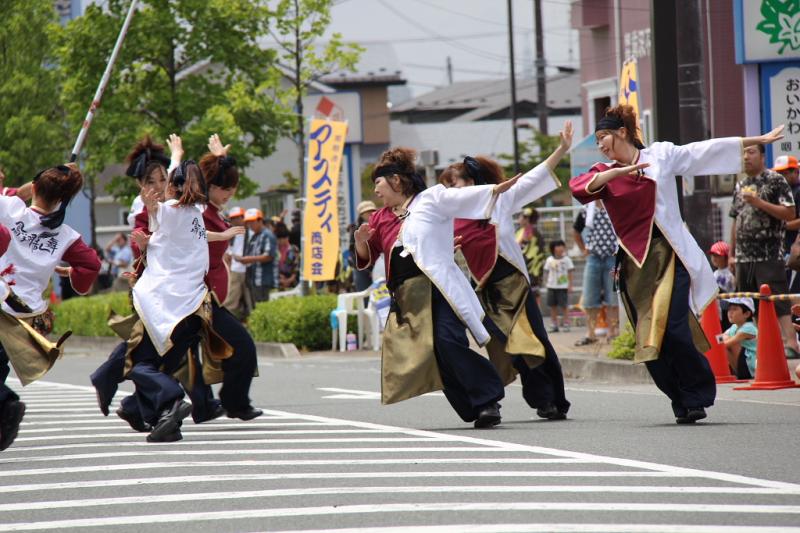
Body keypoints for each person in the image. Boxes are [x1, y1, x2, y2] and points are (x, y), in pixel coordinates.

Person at [571, 104, 785, 424]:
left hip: (671, 255)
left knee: (674, 328)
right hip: (635, 265)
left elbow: (702, 151)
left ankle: (695, 395)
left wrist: (755, 139)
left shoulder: (660, 155)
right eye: (598, 139)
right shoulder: (603, 170)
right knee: (650, 342)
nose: (600, 144)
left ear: (622, 132)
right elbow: (579, 188)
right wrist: (613, 174)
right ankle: (679, 397)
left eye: (603, 136)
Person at [354, 147, 521, 428]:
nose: (376, 190)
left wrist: (494, 189)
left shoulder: (430, 199)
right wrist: (360, 242)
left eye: (378, 182)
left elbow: (460, 197)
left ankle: (487, 399)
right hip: (407, 298)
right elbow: (367, 255)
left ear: (396, 180)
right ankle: (474, 405)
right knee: (432, 355)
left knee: (447, 341)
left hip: (437, 289)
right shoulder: (380, 218)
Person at [441, 121, 573, 420]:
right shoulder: (451, 215)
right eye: (448, 186)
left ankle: (552, 399)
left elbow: (535, 176)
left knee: (534, 341)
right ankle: (498, 399)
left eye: (456, 183)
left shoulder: (500, 199)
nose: (452, 190)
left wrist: (561, 150)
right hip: (485, 290)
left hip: (514, 284)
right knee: (506, 346)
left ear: (473, 182)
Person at [0, 164, 101, 451]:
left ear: (34, 187)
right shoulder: (66, 236)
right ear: (63, 200)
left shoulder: (10, 208)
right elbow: (91, 264)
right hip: (28, 316)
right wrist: (74, 275)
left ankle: (6, 404)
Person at [730, 144, 799, 359]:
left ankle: (790, 343)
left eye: (751, 152)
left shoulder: (775, 180)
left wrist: (758, 202)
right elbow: (735, 220)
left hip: (768, 252)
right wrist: (732, 253)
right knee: (752, 302)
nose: (746, 157)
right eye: (743, 152)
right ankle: (767, 345)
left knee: (777, 299)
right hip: (744, 255)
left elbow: (789, 213)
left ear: (762, 156)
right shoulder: (741, 184)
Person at [573, 200, 619, 345]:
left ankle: (612, 332)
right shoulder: (586, 208)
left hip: (613, 257)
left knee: (613, 296)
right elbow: (576, 230)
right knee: (590, 296)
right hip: (593, 257)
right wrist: (583, 249)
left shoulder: (615, 205)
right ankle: (591, 333)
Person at [234, 208, 277, 308]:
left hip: (264, 278)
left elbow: (269, 256)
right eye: (248, 223)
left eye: (252, 222)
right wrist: (243, 259)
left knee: (265, 307)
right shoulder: (255, 236)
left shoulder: (267, 235)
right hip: (254, 278)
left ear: (260, 220)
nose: (250, 225)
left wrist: (248, 259)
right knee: (256, 306)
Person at [722, 297, 757, 380]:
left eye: (734, 309)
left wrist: (718, 341)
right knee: (725, 338)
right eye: (729, 309)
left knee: (730, 344)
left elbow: (725, 344)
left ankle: (739, 374)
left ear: (746, 314)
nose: (730, 312)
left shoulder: (748, 327)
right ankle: (736, 372)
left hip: (750, 364)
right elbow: (720, 338)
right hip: (742, 362)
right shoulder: (734, 326)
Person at [515, 207, 546, 302]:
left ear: (527, 219)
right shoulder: (521, 231)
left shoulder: (529, 232)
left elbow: (521, 248)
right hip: (526, 267)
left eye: (521, 216)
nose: (519, 219)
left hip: (531, 268)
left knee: (532, 294)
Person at [223, 206, 249, 318]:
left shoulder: (251, 232)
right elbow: (227, 253)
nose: (235, 221)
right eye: (233, 218)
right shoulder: (231, 234)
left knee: (249, 299)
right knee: (232, 300)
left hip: (249, 270)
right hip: (235, 270)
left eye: (238, 217)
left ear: (244, 218)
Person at [543, 239, 574, 333]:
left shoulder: (567, 260)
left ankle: (566, 323)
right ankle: (554, 324)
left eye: (562, 245)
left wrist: (570, 285)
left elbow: (570, 272)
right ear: (553, 248)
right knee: (552, 306)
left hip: (563, 287)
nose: (561, 248)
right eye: (558, 246)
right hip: (551, 286)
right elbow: (546, 272)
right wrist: (545, 282)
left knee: (564, 306)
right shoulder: (549, 260)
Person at [351, 201, 378, 292]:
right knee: (364, 294)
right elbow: (353, 250)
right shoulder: (355, 229)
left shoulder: (381, 225)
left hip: (379, 266)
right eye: (366, 212)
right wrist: (368, 269)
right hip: (362, 270)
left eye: (372, 211)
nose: (370, 213)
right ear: (361, 215)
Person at [276, 222, 299, 289]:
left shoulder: (294, 249)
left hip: (291, 281)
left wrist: (289, 280)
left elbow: (296, 267)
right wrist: (280, 278)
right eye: (279, 239)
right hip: (278, 280)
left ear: (287, 237)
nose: (281, 241)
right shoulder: (275, 249)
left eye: (283, 238)